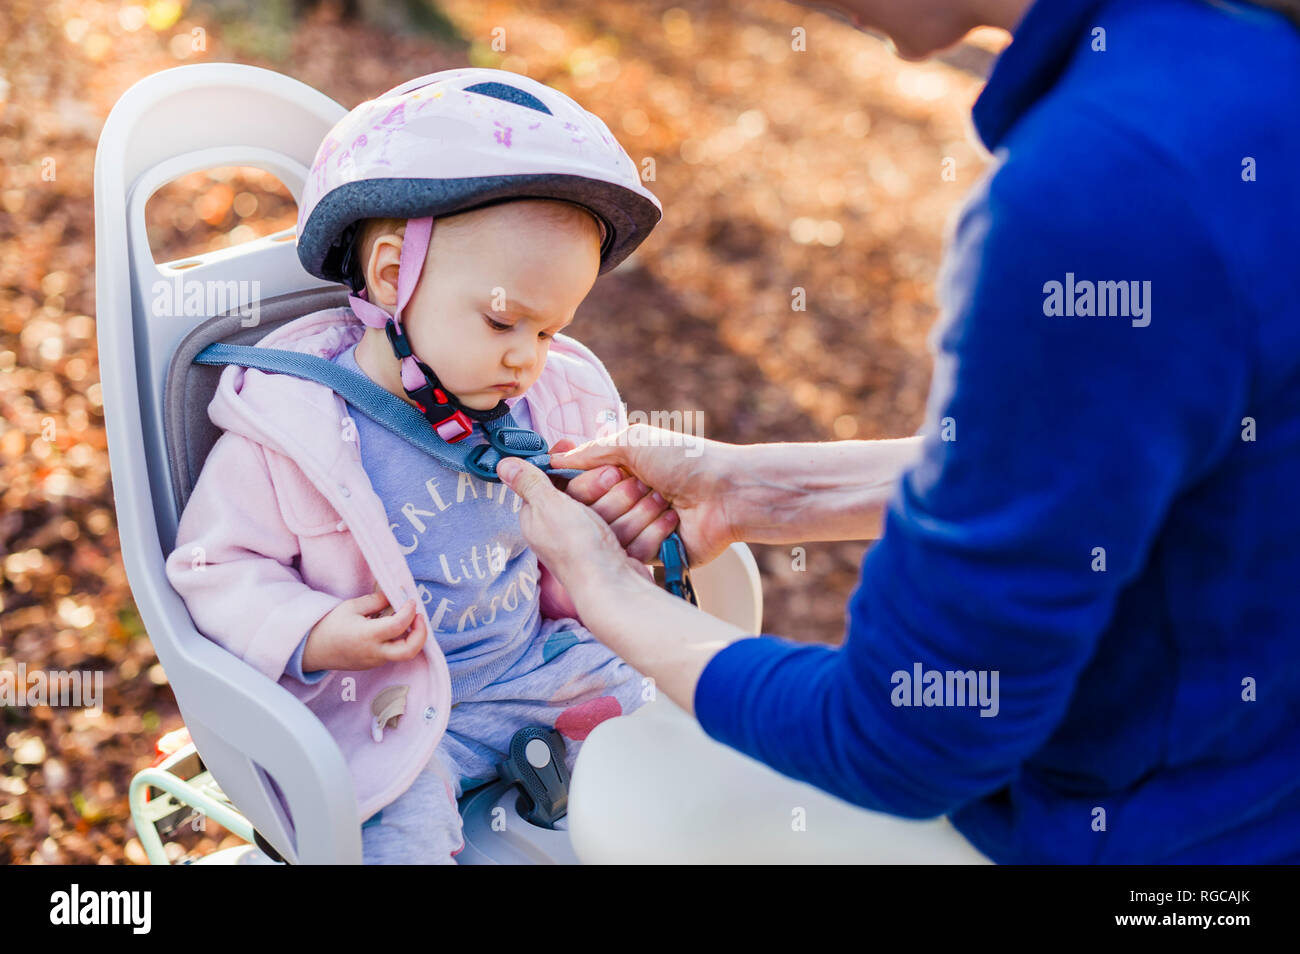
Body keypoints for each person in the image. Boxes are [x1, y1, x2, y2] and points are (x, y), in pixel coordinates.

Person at [493, 0, 1300, 863]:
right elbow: (1104, 467)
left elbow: (909, 738)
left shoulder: (1108, 190)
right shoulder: (1238, 80)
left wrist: (608, 592)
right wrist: (752, 488)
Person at [165, 69, 669, 863]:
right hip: (388, 707)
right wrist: (311, 629)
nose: (528, 358)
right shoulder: (290, 426)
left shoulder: (548, 403)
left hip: (530, 665)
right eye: (505, 319)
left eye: (549, 331)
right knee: (390, 827)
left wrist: (608, 540)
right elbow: (211, 564)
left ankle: (577, 780)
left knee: (664, 736)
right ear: (395, 276)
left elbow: (569, 555)